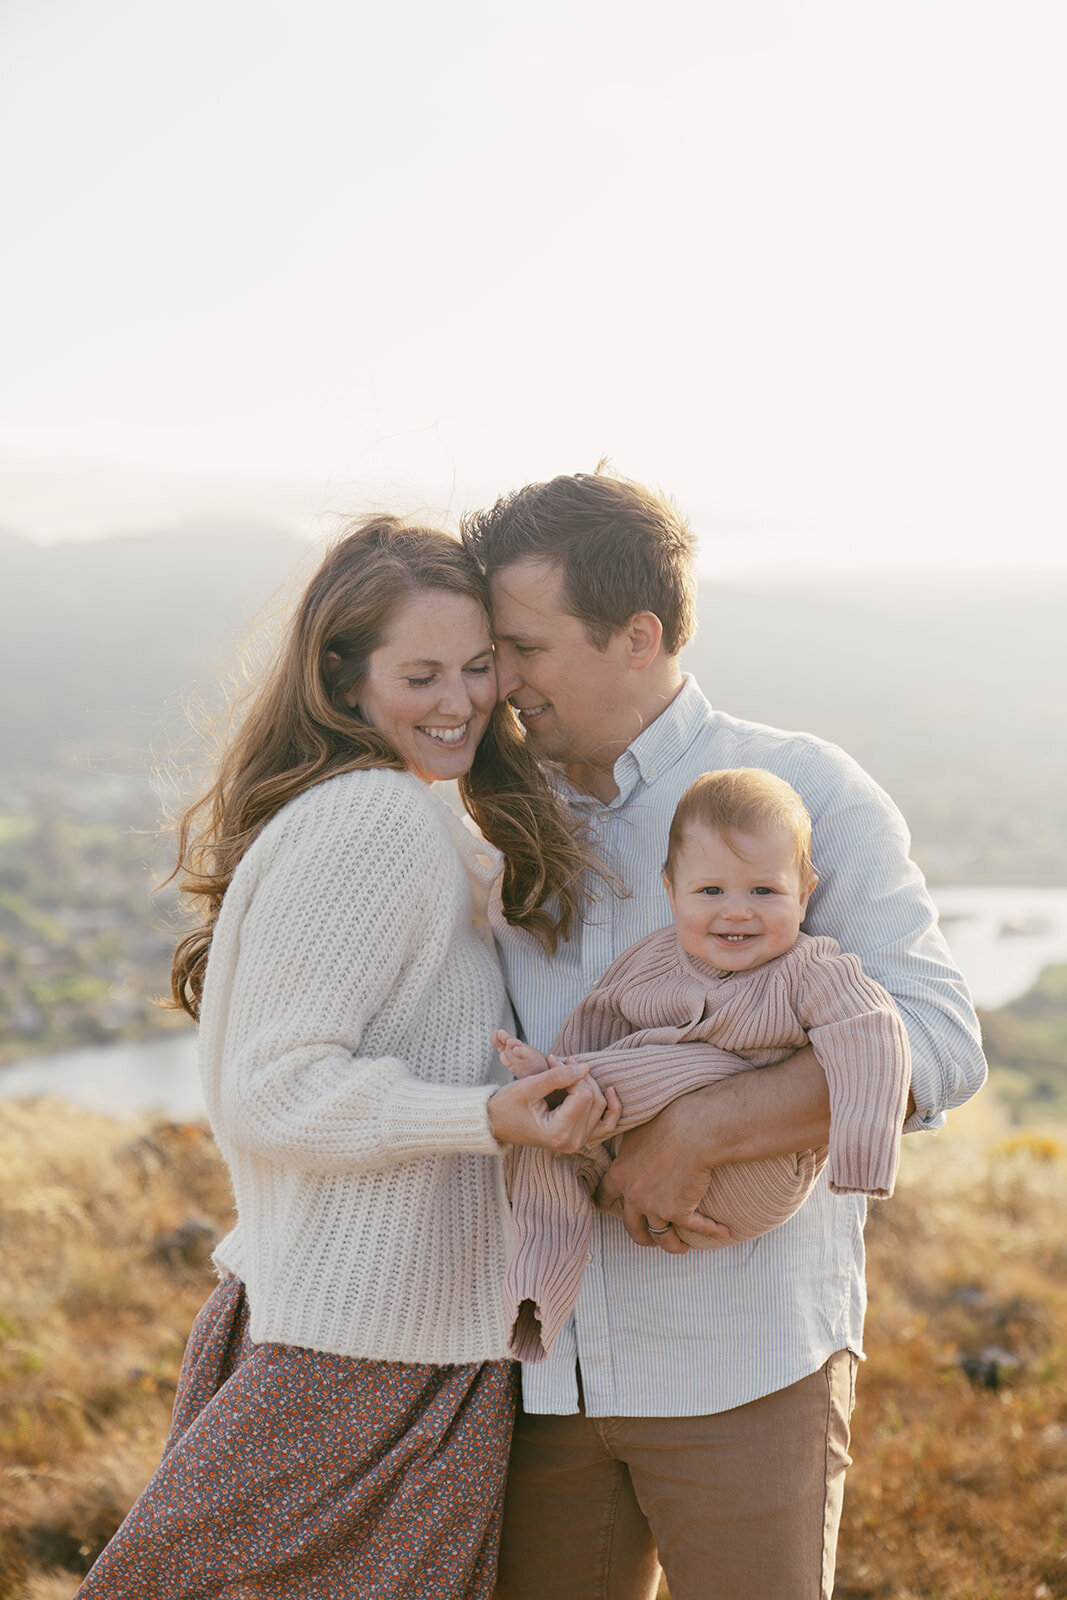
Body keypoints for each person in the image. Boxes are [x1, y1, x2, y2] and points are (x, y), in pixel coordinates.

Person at [460, 469, 987, 1600]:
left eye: (526, 647)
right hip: (539, 1370)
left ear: (637, 635)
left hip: (745, 1368)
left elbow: (939, 1040)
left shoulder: (803, 788)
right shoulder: (491, 813)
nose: (500, 680)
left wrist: (702, 1130)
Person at [74, 516, 620, 1600]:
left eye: (477, 666)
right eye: (420, 675)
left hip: (380, 1342)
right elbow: (272, 1090)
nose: (460, 701)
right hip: (359, 1358)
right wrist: (485, 1118)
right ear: (343, 678)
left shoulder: (394, 812)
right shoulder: (374, 818)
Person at [493, 767, 911, 1364]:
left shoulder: (810, 969)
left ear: (805, 892)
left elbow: (872, 1032)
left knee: (685, 1067)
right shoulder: (652, 963)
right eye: (711, 891)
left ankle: (571, 1091)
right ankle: (538, 1288)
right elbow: (596, 1022)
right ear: (671, 891)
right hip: (626, 1168)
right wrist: (556, 1074)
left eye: (764, 892)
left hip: (760, 1174)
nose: (736, 912)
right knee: (542, 1149)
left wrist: (861, 1159)